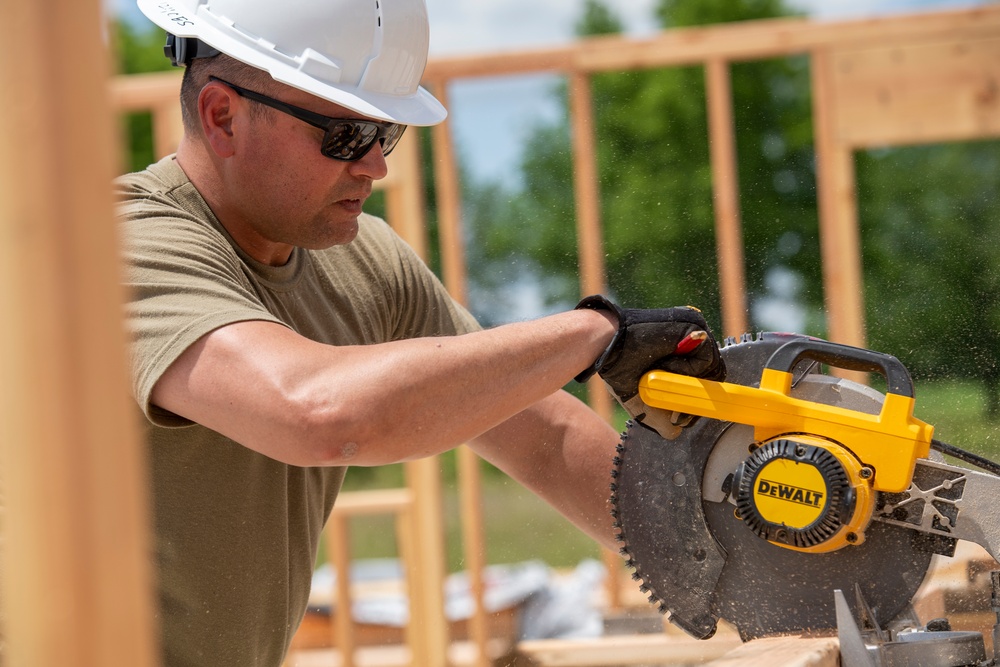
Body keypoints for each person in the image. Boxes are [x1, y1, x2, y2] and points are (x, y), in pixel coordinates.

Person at [119, 1, 726, 665]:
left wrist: (738, 560)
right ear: (222, 116)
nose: (376, 166)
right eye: (346, 134)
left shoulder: (362, 259)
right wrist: (592, 332)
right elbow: (317, 411)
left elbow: (544, 438)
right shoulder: (123, 245)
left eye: (385, 132)